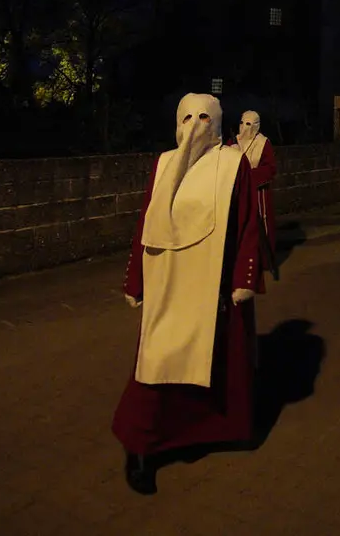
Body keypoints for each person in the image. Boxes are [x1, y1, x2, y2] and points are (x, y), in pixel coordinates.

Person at [112, 93, 264, 496]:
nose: (195, 126)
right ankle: (140, 448)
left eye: (204, 118)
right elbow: (147, 221)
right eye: (187, 118)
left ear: (216, 123)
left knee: (210, 362)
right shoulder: (163, 163)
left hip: (212, 282)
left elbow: (249, 222)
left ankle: (195, 435)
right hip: (168, 280)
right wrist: (136, 281)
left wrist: (244, 277)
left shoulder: (234, 165)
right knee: (157, 362)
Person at [230, 110, 278, 267]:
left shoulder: (263, 143)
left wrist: (249, 176)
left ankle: (263, 260)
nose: (245, 128)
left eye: (250, 124)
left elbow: (270, 167)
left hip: (257, 192)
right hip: (237, 192)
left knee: (259, 225)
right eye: (243, 123)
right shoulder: (233, 143)